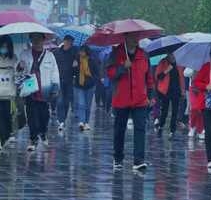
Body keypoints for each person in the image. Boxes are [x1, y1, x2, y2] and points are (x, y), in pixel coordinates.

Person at [106, 33, 155, 171]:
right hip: (121, 99)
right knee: (119, 130)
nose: (135, 40)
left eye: (137, 37)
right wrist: (122, 68)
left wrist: (151, 96)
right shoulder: (116, 54)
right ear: (125, 38)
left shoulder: (144, 55)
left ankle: (138, 160)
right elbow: (109, 73)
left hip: (140, 99)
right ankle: (118, 158)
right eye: (132, 37)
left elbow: (149, 77)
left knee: (140, 129)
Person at [18, 33, 60, 152]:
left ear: (43, 40)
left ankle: (43, 132)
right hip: (30, 89)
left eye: (39, 39)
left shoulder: (50, 56)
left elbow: (54, 72)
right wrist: (20, 67)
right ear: (30, 40)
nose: (36, 41)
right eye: (34, 39)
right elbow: (19, 72)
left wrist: (55, 86)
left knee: (44, 115)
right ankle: (33, 139)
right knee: (32, 116)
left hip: (44, 90)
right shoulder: (24, 54)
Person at [155, 53, 185, 137]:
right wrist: (166, 70)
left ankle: (172, 130)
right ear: (168, 55)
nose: (172, 57)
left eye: (174, 55)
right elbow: (158, 77)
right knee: (164, 110)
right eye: (171, 55)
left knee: (175, 111)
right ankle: (161, 126)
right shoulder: (163, 62)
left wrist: (182, 90)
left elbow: (181, 77)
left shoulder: (179, 63)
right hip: (165, 91)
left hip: (176, 91)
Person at [72, 45, 100, 131]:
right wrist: (74, 67)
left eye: (83, 51)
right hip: (79, 86)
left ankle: (86, 123)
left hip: (90, 86)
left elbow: (96, 73)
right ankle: (81, 121)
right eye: (80, 51)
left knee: (88, 105)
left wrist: (93, 81)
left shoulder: (92, 61)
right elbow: (73, 73)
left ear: (87, 52)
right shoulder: (76, 60)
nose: (81, 53)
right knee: (81, 104)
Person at [53, 35, 78, 132]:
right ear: (64, 41)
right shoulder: (56, 52)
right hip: (58, 80)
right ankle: (61, 120)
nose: (69, 43)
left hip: (69, 80)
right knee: (60, 101)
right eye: (67, 41)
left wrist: (76, 64)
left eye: (71, 42)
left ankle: (64, 118)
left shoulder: (74, 52)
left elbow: (77, 67)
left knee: (66, 101)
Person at [185, 68, 205, 140]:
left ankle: (200, 130)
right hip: (193, 88)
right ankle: (192, 126)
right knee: (194, 108)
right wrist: (193, 71)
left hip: (203, 88)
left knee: (201, 110)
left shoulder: (208, 63)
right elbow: (185, 73)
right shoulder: (193, 63)